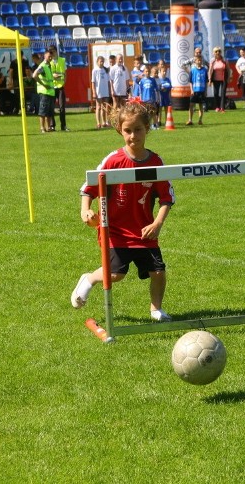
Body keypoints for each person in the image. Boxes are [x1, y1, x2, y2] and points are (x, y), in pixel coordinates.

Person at [71, 101, 175, 323]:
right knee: (117, 274)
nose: (133, 136)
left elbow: (167, 198)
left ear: (147, 129)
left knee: (158, 272)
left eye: (138, 129)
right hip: (115, 230)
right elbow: (88, 188)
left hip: (144, 231)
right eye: (127, 130)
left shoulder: (156, 162)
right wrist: (85, 210)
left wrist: (157, 223)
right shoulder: (114, 160)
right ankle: (89, 279)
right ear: (120, 130)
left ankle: (156, 309)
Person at [32, 48, 56, 132]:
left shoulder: (49, 66)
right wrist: (44, 85)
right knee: (43, 111)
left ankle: (48, 127)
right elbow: (34, 75)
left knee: (49, 112)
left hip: (50, 92)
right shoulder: (43, 66)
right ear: (44, 56)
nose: (50, 58)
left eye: (51, 56)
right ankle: (42, 128)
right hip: (44, 92)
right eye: (49, 56)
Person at [48, 45, 69, 131]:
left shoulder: (62, 60)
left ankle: (63, 126)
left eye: (52, 51)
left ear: (56, 51)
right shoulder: (49, 62)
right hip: (52, 87)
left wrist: (64, 83)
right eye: (50, 51)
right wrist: (53, 76)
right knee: (51, 107)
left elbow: (65, 73)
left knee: (62, 107)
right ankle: (52, 125)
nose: (51, 53)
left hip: (60, 87)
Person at [90, 54, 111, 129]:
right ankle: (98, 123)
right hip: (98, 91)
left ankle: (104, 122)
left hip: (105, 91)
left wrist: (109, 90)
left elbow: (108, 81)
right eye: (100, 61)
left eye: (102, 61)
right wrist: (94, 92)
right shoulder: (95, 70)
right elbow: (93, 82)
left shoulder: (105, 70)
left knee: (104, 107)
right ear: (97, 62)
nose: (101, 63)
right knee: (98, 107)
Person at [189, 55, 208, 125]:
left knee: (200, 106)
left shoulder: (204, 70)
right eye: (198, 60)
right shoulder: (192, 70)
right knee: (191, 105)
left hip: (202, 91)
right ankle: (190, 120)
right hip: (194, 91)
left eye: (200, 60)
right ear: (195, 61)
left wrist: (205, 91)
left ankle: (200, 120)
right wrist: (191, 90)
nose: (199, 61)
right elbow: (190, 81)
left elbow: (206, 82)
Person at [208, 47, 229, 112]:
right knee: (216, 93)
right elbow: (210, 70)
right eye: (216, 51)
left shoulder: (224, 60)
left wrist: (228, 77)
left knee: (223, 93)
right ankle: (217, 107)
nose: (218, 53)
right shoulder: (212, 61)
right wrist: (209, 79)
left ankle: (222, 107)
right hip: (215, 79)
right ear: (213, 53)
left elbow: (228, 69)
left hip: (223, 79)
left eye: (219, 51)